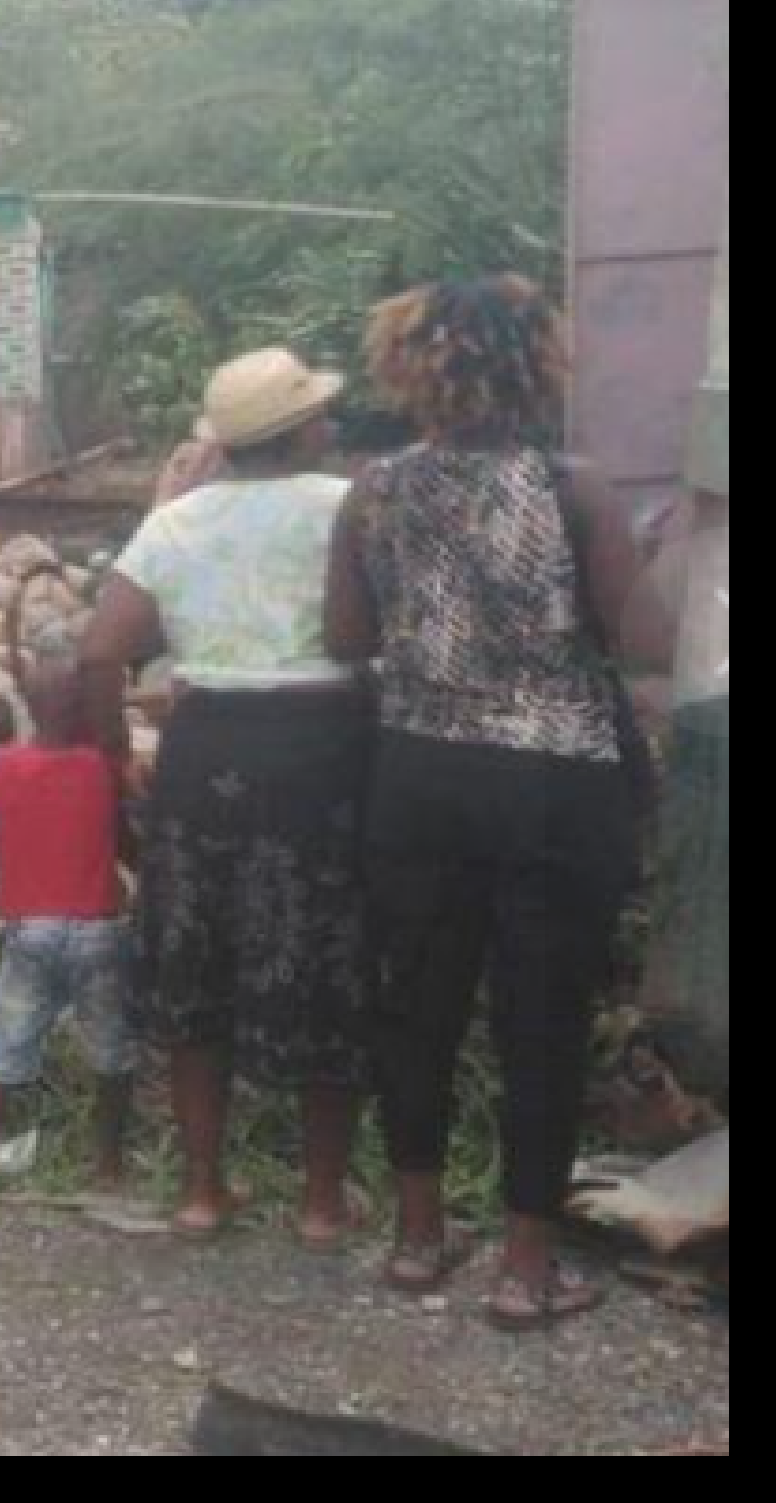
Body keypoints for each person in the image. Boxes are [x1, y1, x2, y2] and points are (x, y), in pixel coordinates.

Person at [326, 275, 639, 1331]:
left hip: (416, 774)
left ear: (410, 364)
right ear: (534, 360)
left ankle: (417, 1241)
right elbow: (623, 634)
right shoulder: (572, 487)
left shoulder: (370, 488)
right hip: (553, 778)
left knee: (414, 1004)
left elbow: (344, 641)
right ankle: (523, 1268)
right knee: (540, 1017)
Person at [83, 348, 372, 1249]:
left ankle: (204, 1193)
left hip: (204, 759)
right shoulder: (346, 506)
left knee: (193, 968)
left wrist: (112, 756)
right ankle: (323, 1202)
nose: (333, 426)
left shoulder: (175, 524)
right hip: (325, 753)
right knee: (332, 968)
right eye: (322, 415)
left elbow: (100, 654)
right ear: (302, 431)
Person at [0, 652, 135, 1230]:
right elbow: (125, 840)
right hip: (98, 926)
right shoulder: (103, 765)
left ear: (27, 705)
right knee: (112, 1053)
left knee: (0, 1057)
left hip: (30, 928)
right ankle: (107, 1166)